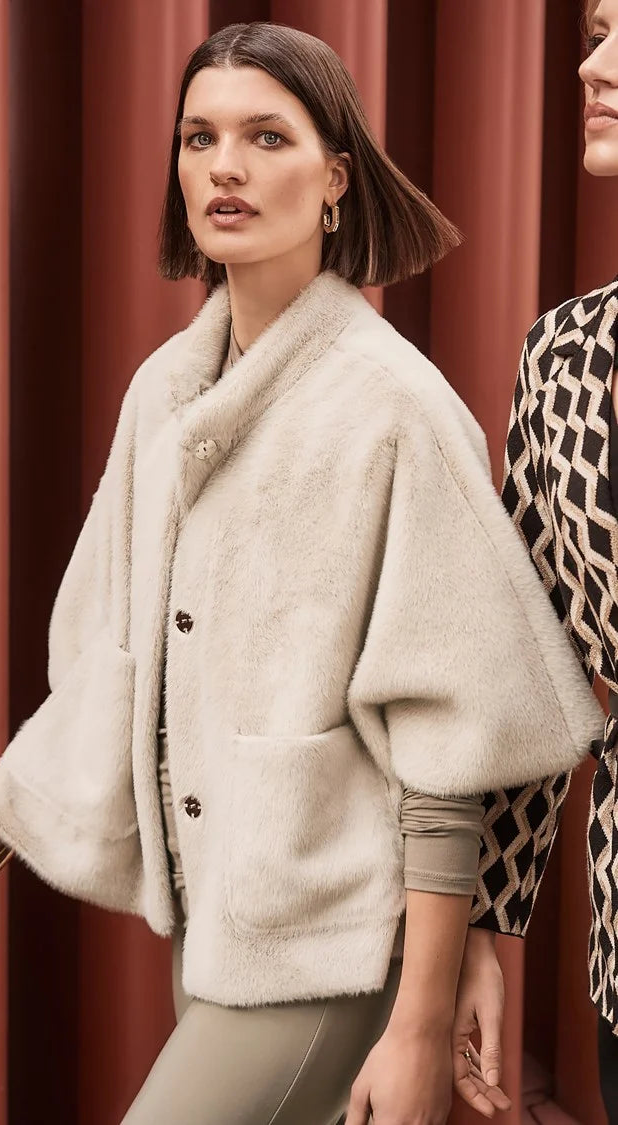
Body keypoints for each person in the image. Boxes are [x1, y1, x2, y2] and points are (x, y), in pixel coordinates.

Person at [0, 22, 604, 1125]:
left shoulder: (396, 408)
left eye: (268, 137)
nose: (225, 166)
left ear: (336, 182)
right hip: (220, 929)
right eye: (199, 138)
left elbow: (451, 745)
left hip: (339, 948)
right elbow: (112, 665)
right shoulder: (165, 395)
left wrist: (418, 1017)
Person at [452, 1, 618, 1120]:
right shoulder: (562, 352)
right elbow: (532, 657)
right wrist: (482, 925)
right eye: (597, 28)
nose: (591, 63)